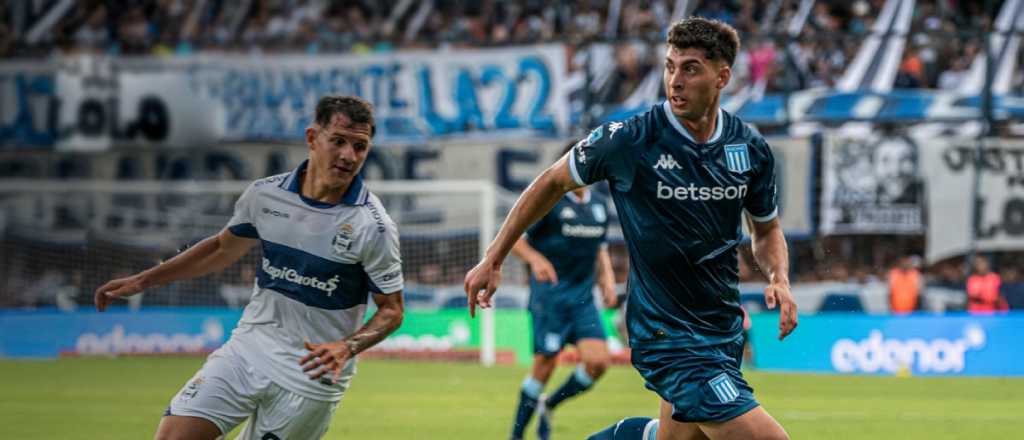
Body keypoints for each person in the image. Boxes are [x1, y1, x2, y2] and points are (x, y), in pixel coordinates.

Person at [465, 17, 796, 440]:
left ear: (722, 76)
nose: (675, 80)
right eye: (670, 66)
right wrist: (493, 258)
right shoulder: (631, 139)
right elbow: (551, 181)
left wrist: (779, 277)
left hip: (720, 329)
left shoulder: (748, 149)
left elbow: (766, 231)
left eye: (690, 68)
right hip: (666, 333)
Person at [93, 95, 405, 440]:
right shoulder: (265, 196)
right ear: (313, 138)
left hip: (310, 374)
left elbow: (392, 310)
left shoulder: (372, 226)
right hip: (248, 350)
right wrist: (144, 279)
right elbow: (220, 249)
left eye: (360, 147)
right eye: (339, 141)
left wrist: (347, 346)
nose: (349, 155)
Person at [508, 142, 618, 440]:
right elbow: (513, 237)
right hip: (551, 297)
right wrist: (536, 259)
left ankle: (550, 405)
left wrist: (606, 277)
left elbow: (601, 246)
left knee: (597, 362)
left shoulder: (598, 205)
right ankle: (515, 436)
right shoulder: (550, 200)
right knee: (545, 365)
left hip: (582, 297)